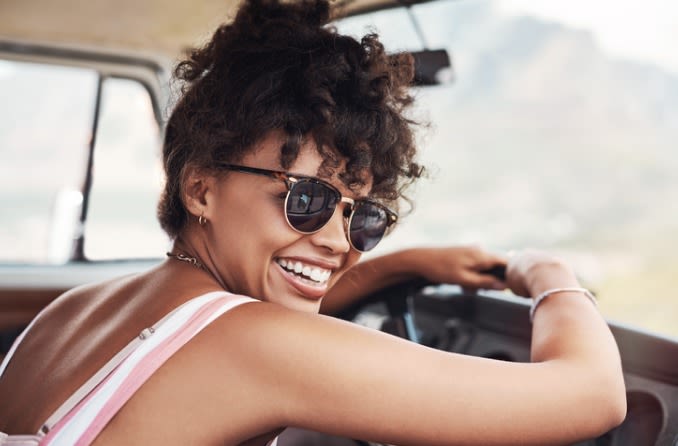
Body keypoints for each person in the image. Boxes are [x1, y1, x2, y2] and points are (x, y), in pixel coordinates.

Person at [0, 0, 626, 444]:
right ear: (200, 188)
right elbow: (592, 395)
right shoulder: (253, 346)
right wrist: (548, 273)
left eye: (363, 217)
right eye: (307, 199)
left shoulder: (71, 315)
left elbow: (258, 321)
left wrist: (409, 264)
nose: (336, 241)